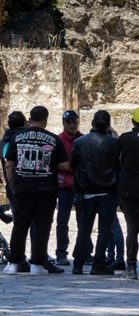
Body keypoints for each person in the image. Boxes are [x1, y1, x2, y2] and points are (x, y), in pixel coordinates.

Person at [4, 106, 69, 276]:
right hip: (46, 188)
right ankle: (37, 263)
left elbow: (9, 164)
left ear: (30, 118)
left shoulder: (17, 137)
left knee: (20, 224)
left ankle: (14, 261)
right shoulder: (53, 139)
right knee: (42, 226)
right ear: (46, 120)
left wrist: (13, 184)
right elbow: (63, 165)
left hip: (23, 188)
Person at [70, 110, 120, 276]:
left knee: (84, 229)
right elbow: (118, 166)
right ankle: (98, 263)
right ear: (108, 125)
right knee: (104, 229)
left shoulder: (79, 142)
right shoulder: (113, 143)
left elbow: (73, 164)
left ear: (92, 123)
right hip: (107, 190)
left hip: (86, 190)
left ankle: (78, 263)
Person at [55, 110, 83, 266]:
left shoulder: (83, 139)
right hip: (64, 186)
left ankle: (84, 252)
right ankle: (61, 253)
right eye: (68, 122)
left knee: (84, 221)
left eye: (74, 121)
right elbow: (61, 165)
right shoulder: (59, 140)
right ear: (64, 123)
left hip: (80, 186)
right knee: (62, 221)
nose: (72, 125)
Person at [117, 107, 139, 280]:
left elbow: (116, 160)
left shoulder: (125, 139)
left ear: (133, 121)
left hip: (130, 190)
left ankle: (131, 267)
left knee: (132, 229)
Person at [0, 111, 27, 209]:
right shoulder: (26, 139)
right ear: (24, 123)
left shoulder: (3, 142)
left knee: (18, 220)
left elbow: (5, 162)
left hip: (11, 185)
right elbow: (8, 165)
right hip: (26, 186)